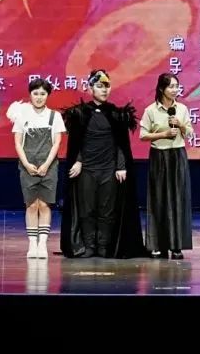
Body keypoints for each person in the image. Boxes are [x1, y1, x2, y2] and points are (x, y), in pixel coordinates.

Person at [60, 69, 146, 258]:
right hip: (87, 170)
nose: (104, 90)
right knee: (87, 209)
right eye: (99, 86)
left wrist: (121, 166)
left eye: (107, 86)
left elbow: (121, 144)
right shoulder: (80, 114)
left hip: (109, 169)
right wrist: (78, 161)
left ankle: (103, 246)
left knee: (107, 210)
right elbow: (78, 142)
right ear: (90, 88)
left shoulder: (116, 114)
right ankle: (89, 246)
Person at [9, 78, 65, 259]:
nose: (39, 97)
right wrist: (26, 164)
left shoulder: (54, 116)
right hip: (28, 165)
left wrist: (46, 164)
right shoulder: (22, 116)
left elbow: (56, 143)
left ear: (48, 95)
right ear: (30, 95)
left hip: (49, 165)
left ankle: (42, 244)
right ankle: (32, 244)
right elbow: (18, 143)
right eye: (35, 93)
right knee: (32, 204)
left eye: (43, 94)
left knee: (45, 204)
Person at [140, 72, 193, 259]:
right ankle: (158, 245)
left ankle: (176, 245)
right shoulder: (151, 110)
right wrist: (163, 134)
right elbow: (143, 135)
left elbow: (190, 133)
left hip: (178, 155)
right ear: (162, 89)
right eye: (171, 86)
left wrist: (181, 125)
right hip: (159, 156)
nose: (175, 90)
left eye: (177, 86)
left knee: (178, 200)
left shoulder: (182, 109)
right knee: (159, 200)